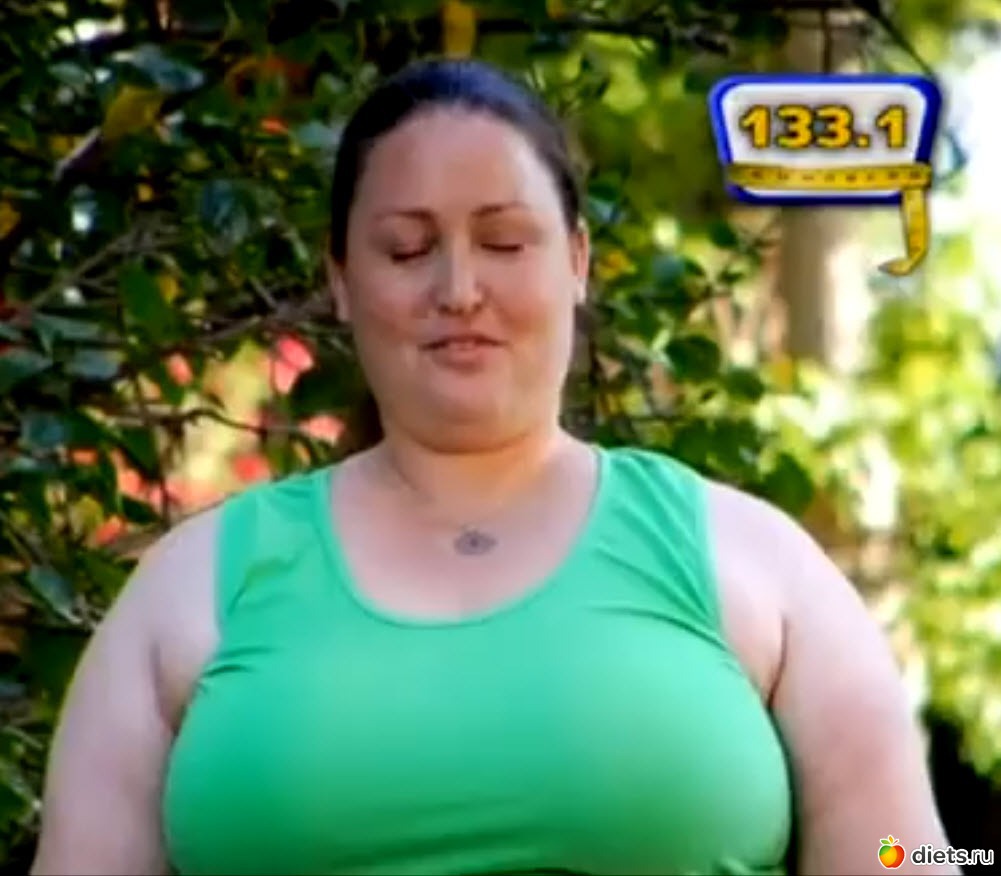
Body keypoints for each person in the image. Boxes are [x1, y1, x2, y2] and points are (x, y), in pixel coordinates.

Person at [31, 57, 956, 876]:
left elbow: (907, 856)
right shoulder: (188, 589)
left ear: (577, 261)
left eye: (505, 242)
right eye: (407, 249)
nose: (459, 290)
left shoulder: (757, 563)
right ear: (342, 280)